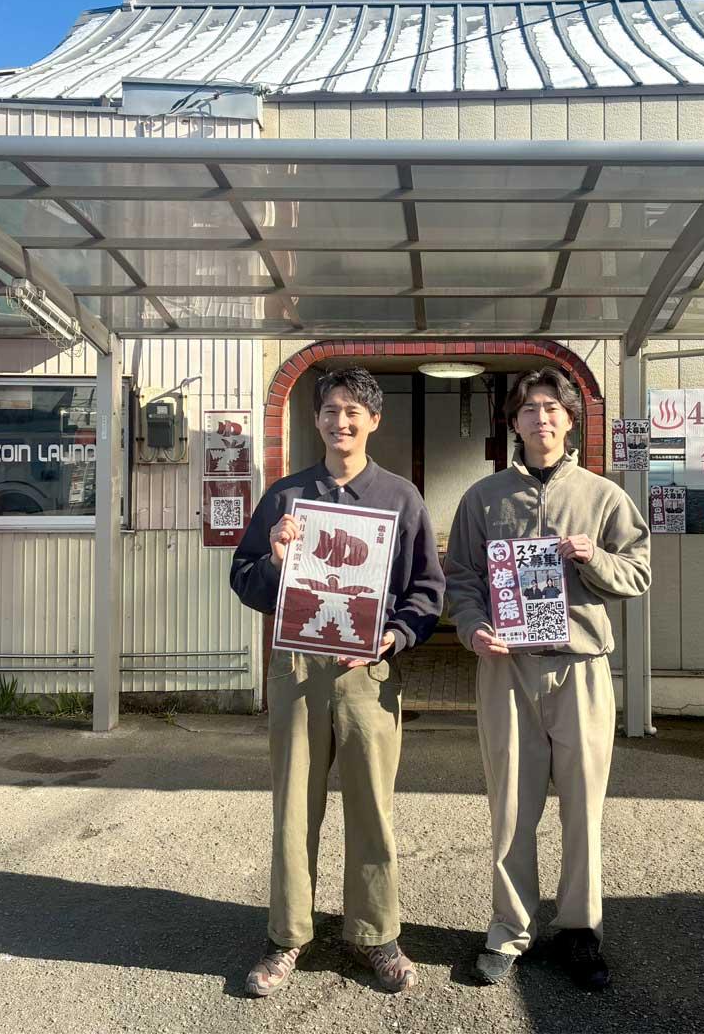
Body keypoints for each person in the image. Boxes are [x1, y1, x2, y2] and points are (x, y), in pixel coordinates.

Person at [231, 367, 444, 996]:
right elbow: (244, 577)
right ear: (317, 419)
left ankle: (377, 933)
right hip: (299, 667)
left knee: (372, 805)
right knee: (294, 806)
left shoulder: (400, 498)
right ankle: (286, 936)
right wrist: (274, 560)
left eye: (353, 411)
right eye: (330, 410)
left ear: (374, 420)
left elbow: (426, 590)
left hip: (367, 671)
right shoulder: (286, 496)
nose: (340, 421)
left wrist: (395, 635)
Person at [445, 367, 651, 992]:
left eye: (552, 408)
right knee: (511, 806)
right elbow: (461, 578)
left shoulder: (603, 495)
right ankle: (510, 928)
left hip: (581, 666)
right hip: (507, 668)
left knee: (583, 806)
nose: (541, 418)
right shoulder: (484, 498)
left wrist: (594, 558)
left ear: (569, 420)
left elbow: (638, 573)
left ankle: (580, 928)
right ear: (514, 422)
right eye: (530, 408)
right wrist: (473, 628)